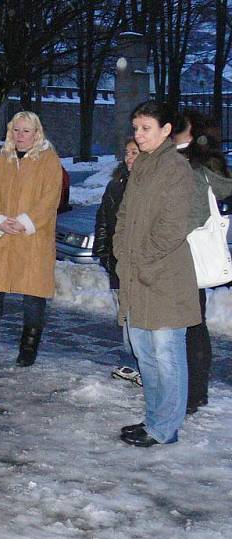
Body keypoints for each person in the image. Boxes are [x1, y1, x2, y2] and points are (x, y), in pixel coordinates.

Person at [114, 101, 199, 447]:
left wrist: (141, 258)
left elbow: (173, 226)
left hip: (164, 279)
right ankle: (153, 420)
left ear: (166, 130)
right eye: (136, 128)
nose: (139, 134)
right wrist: (121, 251)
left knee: (167, 357)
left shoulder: (175, 168)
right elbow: (123, 216)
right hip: (137, 276)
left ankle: (165, 429)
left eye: (146, 128)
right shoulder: (142, 166)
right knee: (145, 356)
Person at [0, 111, 62, 367]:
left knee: (33, 297)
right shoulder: (1, 161)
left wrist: (25, 222)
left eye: (26, 131)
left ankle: (28, 349)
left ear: (36, 133)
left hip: (33, 240)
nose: (20, 136)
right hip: (3, 239)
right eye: (16, 130)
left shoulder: (49, 161)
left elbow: (50, 200)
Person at [173, 109, 232, 414]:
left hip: (186, 252)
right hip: (175, 253)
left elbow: (219, 193)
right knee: (187, 323)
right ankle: (189, 389)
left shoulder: (196, 161)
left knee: (192, 324)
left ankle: (194, 392)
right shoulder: (171, 156)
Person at [93, 138, 142, 386]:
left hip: (141, 265)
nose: (129, 157)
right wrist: (103, 253)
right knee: (125, 316)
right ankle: (131, 362)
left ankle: (145, 364)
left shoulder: (151, 186)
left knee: (141, 316)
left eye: (135, 152)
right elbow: (103, 220)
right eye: (127, 153)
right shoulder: (115, 186)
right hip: (117, 263)